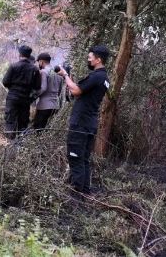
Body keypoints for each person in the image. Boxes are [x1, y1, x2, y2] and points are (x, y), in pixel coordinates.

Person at [56, 45, 110, 196]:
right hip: (90, 123)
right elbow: (80, 92)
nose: (88, 59)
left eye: (90, 57)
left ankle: (76, 195)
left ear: (98, 60)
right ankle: (85, 192)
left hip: (81, 123)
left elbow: (76, 91)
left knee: (75, 158)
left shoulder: (96, 76)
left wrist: (65, 75)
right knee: (84, 159)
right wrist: (69, 78)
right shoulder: (104, 78)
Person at [2, 45, 41, 138]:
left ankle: (10, 142)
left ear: (20, 54)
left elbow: (5, 81)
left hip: (13, 97)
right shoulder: (35, 69)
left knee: (10, 119)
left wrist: (12, 88)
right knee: (23, 121)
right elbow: (37, 86)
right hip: (25, 98)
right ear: (29, 55)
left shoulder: (13, 66)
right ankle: (20, 143)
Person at [32, 52, 64, 130]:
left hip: (44, 106)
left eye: (38, 62)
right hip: (55, 106)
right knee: (47, 130)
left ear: (41, 62)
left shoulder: (43, 72)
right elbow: (59, 91)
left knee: (38, 129)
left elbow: (43, 88)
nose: (38, 64)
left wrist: (33, 96)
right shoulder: (58, 74)